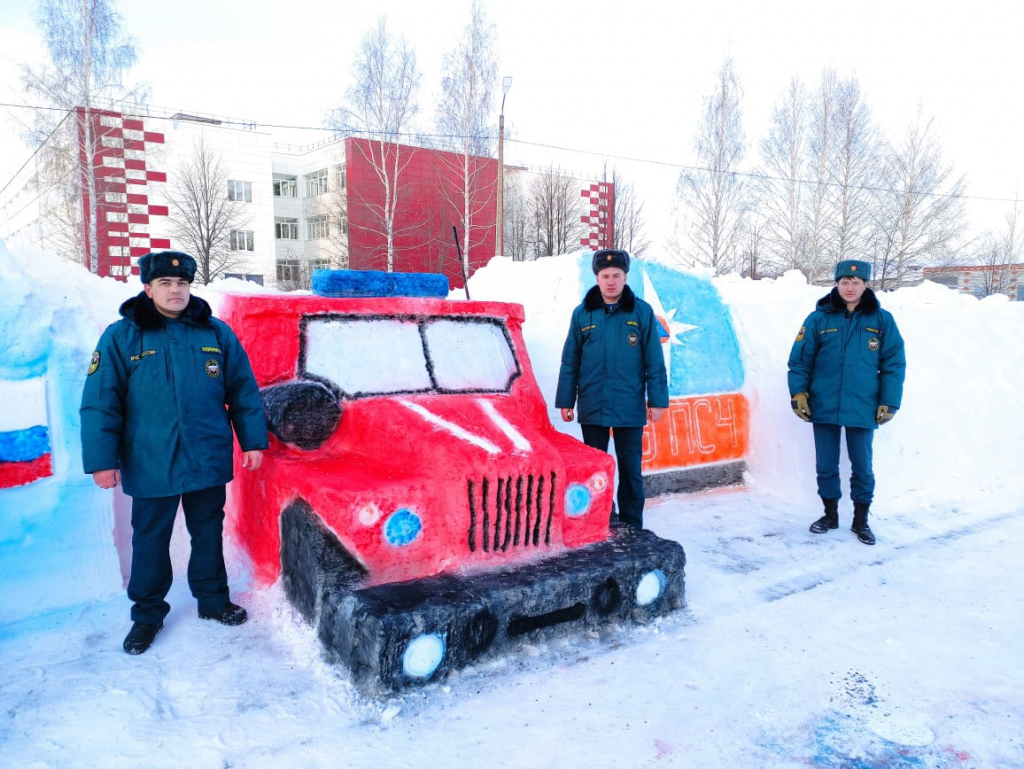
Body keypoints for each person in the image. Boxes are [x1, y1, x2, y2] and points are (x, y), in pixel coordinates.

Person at [81, 251, 268, 655]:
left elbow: (243, 391)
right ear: (148, 289)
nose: (175, 290)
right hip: (149, 460)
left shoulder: (215, 334)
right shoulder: (121, 337)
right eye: (165, 284)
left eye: (181, 283)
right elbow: (100, 402)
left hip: (206, 457)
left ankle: (214, 600)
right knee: (150, 539)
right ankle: (147, 615)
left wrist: (252, 441)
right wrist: (101, 461)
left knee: (207, 532)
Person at [787, 259, 906, 545]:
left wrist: (889, 401)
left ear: (866, 284)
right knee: (826, 464)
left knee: (862, 466)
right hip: (824, 403)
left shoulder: (881, 320)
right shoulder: (818, 319)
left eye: (855, 282)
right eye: (843, 282)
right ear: (836, 284)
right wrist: (799, 393)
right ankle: (830, 515)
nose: (849, 287)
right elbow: (800, 361)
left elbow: (894, 363)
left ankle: (860, 520)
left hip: (864, 405)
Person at [555, 249, 668, 530]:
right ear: (596, 278)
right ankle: (599, 520)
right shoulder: (583, 314)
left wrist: (657, 401)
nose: (610, 281)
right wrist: (566, 400)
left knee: (631, 470)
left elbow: (654, 360)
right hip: (593, 406)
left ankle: (632, 525)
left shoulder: (641, 312)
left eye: (616, 275)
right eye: (605, 276)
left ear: (625, 277)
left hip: (629, 407)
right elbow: (571, 360)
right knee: (594, 470)